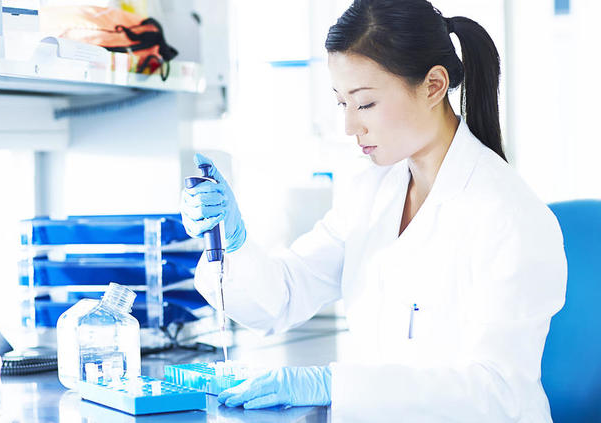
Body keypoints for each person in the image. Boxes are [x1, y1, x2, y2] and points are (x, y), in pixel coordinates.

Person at [179, 0, 567, 421]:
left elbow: (497, 392)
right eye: (341, 103)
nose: (350, 126)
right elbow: (283, 297)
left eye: (364, 104)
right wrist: (233, 243)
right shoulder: (371, 191)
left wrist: (333, 385)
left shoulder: (510, 216)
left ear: (434, 86)